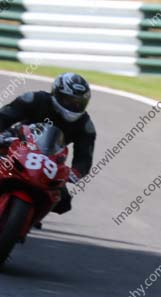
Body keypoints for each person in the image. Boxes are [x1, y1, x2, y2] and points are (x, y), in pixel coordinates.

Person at [0, 72, 95, 214]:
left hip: (49, 162)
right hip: (16, 145)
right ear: (57, 93)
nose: (73, 106)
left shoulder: (85, 125)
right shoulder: (35, 99)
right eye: (69, 100)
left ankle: (32, 213)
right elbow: (6, 115)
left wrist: (76, 172)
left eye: (78, 103)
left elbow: (84, 156)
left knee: (63, 202)